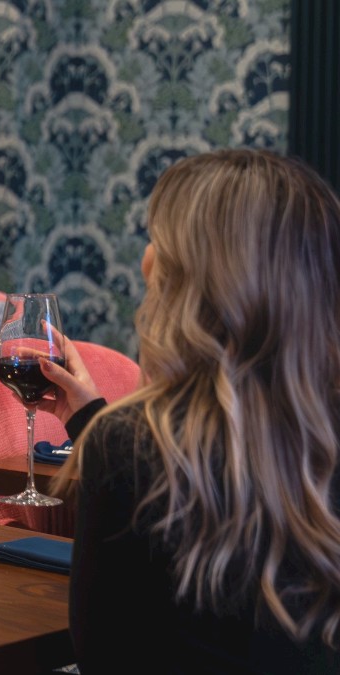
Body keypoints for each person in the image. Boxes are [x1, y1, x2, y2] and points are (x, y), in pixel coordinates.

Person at [38, 149, 340, 673]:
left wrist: (110, 429)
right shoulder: (320, 435)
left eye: (156, 239)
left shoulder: (130, 445)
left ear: (181, 279)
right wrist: (92, 418)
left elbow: (102, 654)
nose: (145, 260)